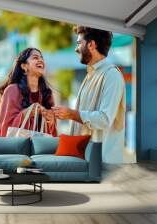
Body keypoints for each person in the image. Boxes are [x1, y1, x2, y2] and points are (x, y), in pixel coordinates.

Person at [52, 26, 126, 163]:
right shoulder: (90, 76)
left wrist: (72, 114)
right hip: (86, 159)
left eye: (79, 43)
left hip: (104, 164)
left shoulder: (111, 75)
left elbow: (104, 119)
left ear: (91, 44)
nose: (76, 48)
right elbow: (82, 115)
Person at [0, 48, 57, 137]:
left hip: (39, 150)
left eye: (42, 58)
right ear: (24, 66)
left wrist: (51, 121)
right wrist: (25, 114)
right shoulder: (12, 90)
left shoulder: (47, 94)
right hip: (18, 149)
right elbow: (5, 130)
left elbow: (52, 135)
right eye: (35, 58)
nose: (41, 60)